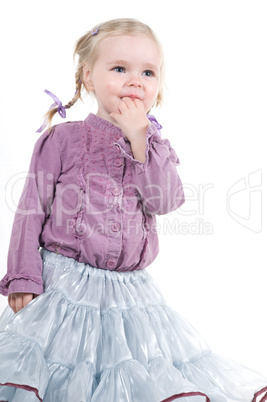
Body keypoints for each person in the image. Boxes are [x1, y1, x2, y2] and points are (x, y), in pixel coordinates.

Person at [0, 17, 266, 402]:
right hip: (63, 285)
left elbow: (165, 200)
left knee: (125, 373)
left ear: (158, 87)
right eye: (120, 69)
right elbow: (30, 209)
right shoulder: (63, 139)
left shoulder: (154, 147)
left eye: (148, 72)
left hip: (131, 294)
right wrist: (23, 275)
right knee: (63, 370)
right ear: (89, 77)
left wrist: (141, 139)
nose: (135, 80)